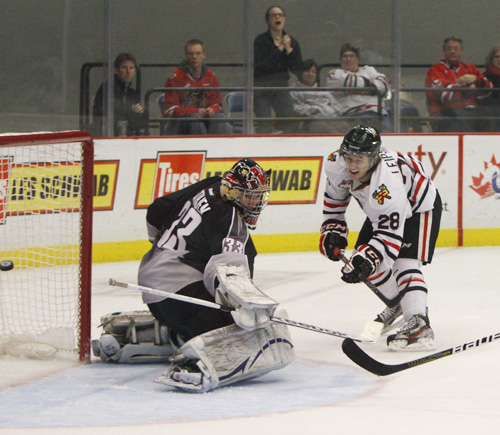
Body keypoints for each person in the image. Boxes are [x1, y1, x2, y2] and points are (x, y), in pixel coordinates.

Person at [92, 159, 294, 393]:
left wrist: (164, 249)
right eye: (249, 196)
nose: (256, 202)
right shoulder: (231, 221)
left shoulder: (212, 185)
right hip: (181, 298)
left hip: (154, 290)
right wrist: (248, 312)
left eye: (259, 196)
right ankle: (194, 364)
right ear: (233, 191)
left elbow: (157, 209)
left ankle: (161, 333)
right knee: (245, 329)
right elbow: (227, 276)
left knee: (214, 305)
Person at [319, 125, 442, 350]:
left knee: (404, 262)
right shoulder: (336, 164)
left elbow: (390, 239)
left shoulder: (387, 184)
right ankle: (398, 302)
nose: (352, 165)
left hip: (419, 207)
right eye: (349, 157)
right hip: (384, 212)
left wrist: (372, 257)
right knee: (361, 259)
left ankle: (418, 322)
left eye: (359, 159)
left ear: (373, 158)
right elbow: (335, 199)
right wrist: (332, 229)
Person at [162, 39, 232, 135]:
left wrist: (212, 109)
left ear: (204, 55)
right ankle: (202, 148)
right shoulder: (175, 77)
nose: (194, 57)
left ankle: (226, 148)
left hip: (204, 121)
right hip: (179, 124)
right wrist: (196, 111)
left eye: (198, 53)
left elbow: (218, 105)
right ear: (186, 56)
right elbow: (170, 110)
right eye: (191, 54)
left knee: (220, 118)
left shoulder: (210, 76)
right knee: (195, 118)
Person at [425, 36, 494, 132]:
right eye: (449, 48)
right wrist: (469, 88)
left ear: (461, 52)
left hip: (471, 112)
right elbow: (445, 95)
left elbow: (489, 90)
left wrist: (476, 79)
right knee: (461, 117)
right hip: (445, 113)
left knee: (492, 113)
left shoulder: (470, 68)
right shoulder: (436, 70)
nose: (452, 51)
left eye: (456, 49)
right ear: (444, 52)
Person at [254, 6, 303, 133]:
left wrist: (289, 50)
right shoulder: (261, 41)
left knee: (289, 121)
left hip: (281, 87)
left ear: (284, 19)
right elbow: (263, 66)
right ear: (268, 21)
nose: (277, 17)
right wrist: (279, 49)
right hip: (262, 88)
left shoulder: (292, 41)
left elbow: (297, 69)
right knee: (264, 124)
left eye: (280, 15)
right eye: (273, 15)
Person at [326, 43, 390, 132]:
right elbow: (378, 88)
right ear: (340, 60)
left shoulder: (368, 70)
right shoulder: (335, 74)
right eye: (345, 56)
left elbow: (384, 86)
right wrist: (372, 89)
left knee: (385, 143)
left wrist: (357, 88)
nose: (348, 59)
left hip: (381, 114)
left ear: (358, 59)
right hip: (355, 116)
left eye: (352, 56)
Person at [92, 52, 148, 136]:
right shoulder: (108, 89)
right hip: (108, 135)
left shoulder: (132, 93)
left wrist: (136, 114)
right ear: (116, 70)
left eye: (131, 68)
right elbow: (109, 115)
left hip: (128, 136)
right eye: (124, 68)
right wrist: (131, 112)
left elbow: (140, 122)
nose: (128, 72)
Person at [289, 59, 345, 133]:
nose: (310, 74)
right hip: (310, 122)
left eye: (313, 72)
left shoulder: (323, 91)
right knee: (329, 131)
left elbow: (337, 107)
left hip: (331, 119)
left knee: (347, 128)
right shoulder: (294, 91)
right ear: (301, 73)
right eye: (307, 71)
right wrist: (315, 111)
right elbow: (296, 108)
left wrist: (327, 112)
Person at [481, 46, 500, 130]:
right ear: (491, 59)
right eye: (497, 57)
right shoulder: (486, 76)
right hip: (493, 110)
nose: (499, 59)